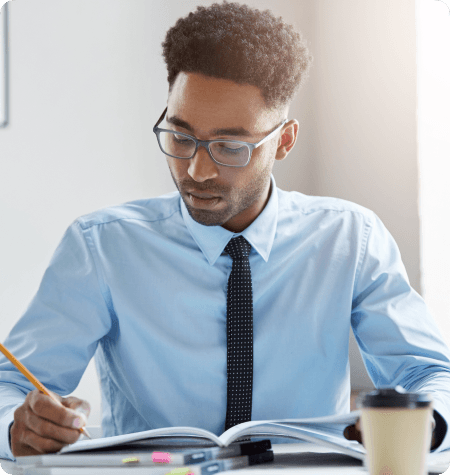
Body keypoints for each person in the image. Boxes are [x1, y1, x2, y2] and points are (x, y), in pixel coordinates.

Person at [1, 0, 449, 461]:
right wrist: (18, 425)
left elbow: (432, 375)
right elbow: (9, 386)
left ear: (285, 140)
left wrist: (426, 422)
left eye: (230, 146)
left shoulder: (351, 240)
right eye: (180, 136)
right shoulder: (101, 248)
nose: (196, 169)